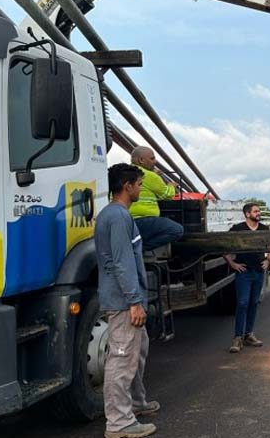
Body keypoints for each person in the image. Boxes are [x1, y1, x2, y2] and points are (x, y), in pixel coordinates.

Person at [96, 163, 160, 438]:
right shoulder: (118, 217)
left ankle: (135, 403)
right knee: (121, 360)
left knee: (137, 351)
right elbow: (122, 262)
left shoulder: (115, 215)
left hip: (127, 298)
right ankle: (119, 423)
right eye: (139, 184)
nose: (141, 188)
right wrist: (134, 301)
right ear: (127, 186)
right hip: (123, 301)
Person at [225, 202, 270, 353]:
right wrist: (231, 263)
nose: (258, 213)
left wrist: (269, 260)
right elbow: (222, 245)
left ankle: (248, 334)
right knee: (242, 303)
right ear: (247, 214)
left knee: (253, 302)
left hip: (259, 271)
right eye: (255, 211)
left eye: (259, 211)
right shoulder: (237, 229)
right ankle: (237, 337)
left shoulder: (264, 229)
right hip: (243, 272)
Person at [129, 146, 184, 251]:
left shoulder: (126, 173)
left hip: (127, 219)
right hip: (142, 219)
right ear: (141, 160)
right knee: (176, 230)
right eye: (152, 158)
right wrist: (172, 186)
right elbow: (167, 195)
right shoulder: (149, 176)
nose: (155, 161)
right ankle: (139, 249)